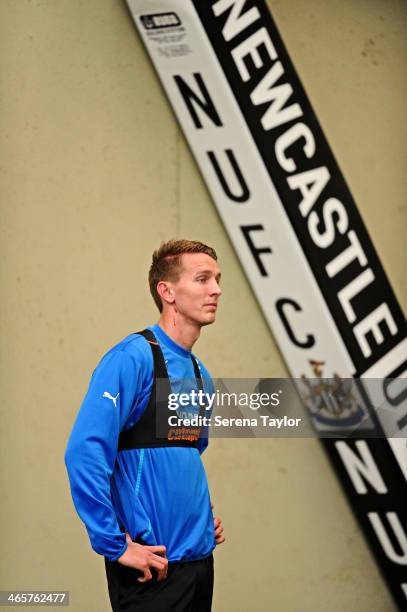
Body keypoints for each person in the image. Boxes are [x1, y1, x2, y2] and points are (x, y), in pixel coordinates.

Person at [65, 239, 225, 612]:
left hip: (200, 564)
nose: (216, 289)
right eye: (202, 279)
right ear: (166, 291)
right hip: (153, 567)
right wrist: (115, 544)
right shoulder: (131, 359)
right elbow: (85, 453)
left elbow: (184, 457)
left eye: (217, 279)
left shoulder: (202, 375)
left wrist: (200, 517)